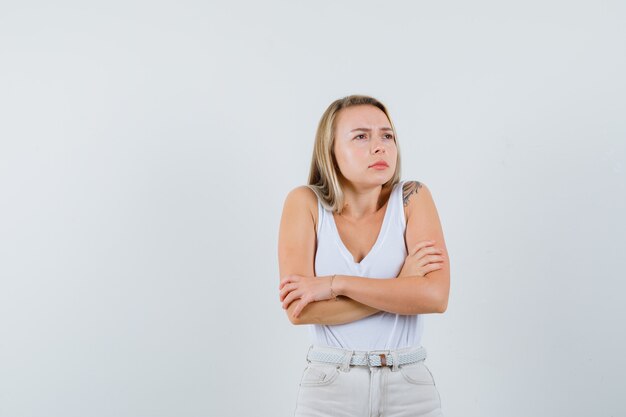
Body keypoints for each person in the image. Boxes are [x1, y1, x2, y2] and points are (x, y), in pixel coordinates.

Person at [277, 94, 450, 417]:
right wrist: (401, 285)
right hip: (329, 388)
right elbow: (301, 311)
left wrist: (334, 284)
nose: (379, 146)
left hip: (409, 386)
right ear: (330, 151)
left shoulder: (412, 198)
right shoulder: (304, 204)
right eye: (361, 136)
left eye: (387, 135)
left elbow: (434, 297)